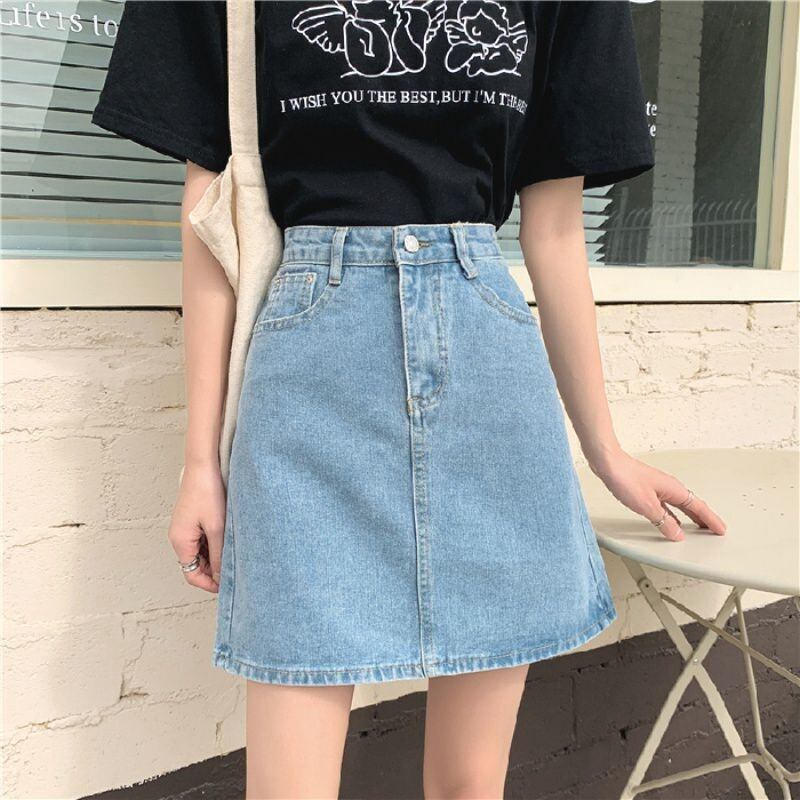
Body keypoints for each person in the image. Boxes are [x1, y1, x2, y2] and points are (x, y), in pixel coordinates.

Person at [92, 1, 727, 797]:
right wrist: (200, 463)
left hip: (488, 364)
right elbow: (209, 211)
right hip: (308, 370)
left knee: (470, 785)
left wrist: (605, 451)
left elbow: (556, 232)